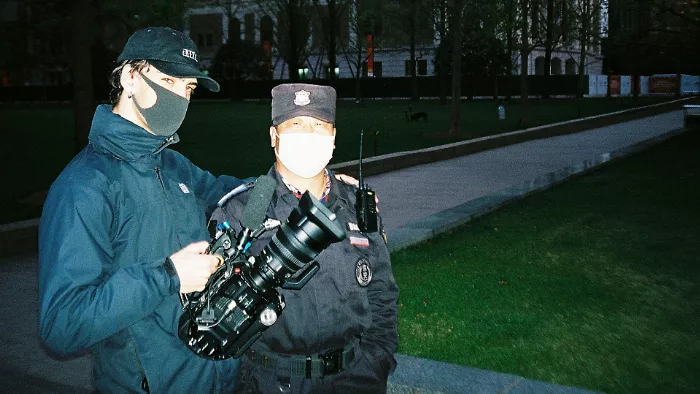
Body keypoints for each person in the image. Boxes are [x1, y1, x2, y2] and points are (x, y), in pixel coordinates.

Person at [38, 27, 242, 393]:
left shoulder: (174, 166)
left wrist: (311, 183)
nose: (180, 97)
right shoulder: (84, 186)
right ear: (130, 76)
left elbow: (234, 194)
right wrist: (170, 276)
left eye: (189, 88)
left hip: (215, 380)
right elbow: (62, 325)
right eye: (168, 80)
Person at [210, 83, 399, 393]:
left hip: (355, 379)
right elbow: (218, 314)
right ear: (274, 136)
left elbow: (382, 295)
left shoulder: (358, 207)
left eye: (319, 125)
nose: (309, 134)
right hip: (271, 381)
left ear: (334, 137)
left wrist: (376, 364)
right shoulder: (244, 211)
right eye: (296, 124)